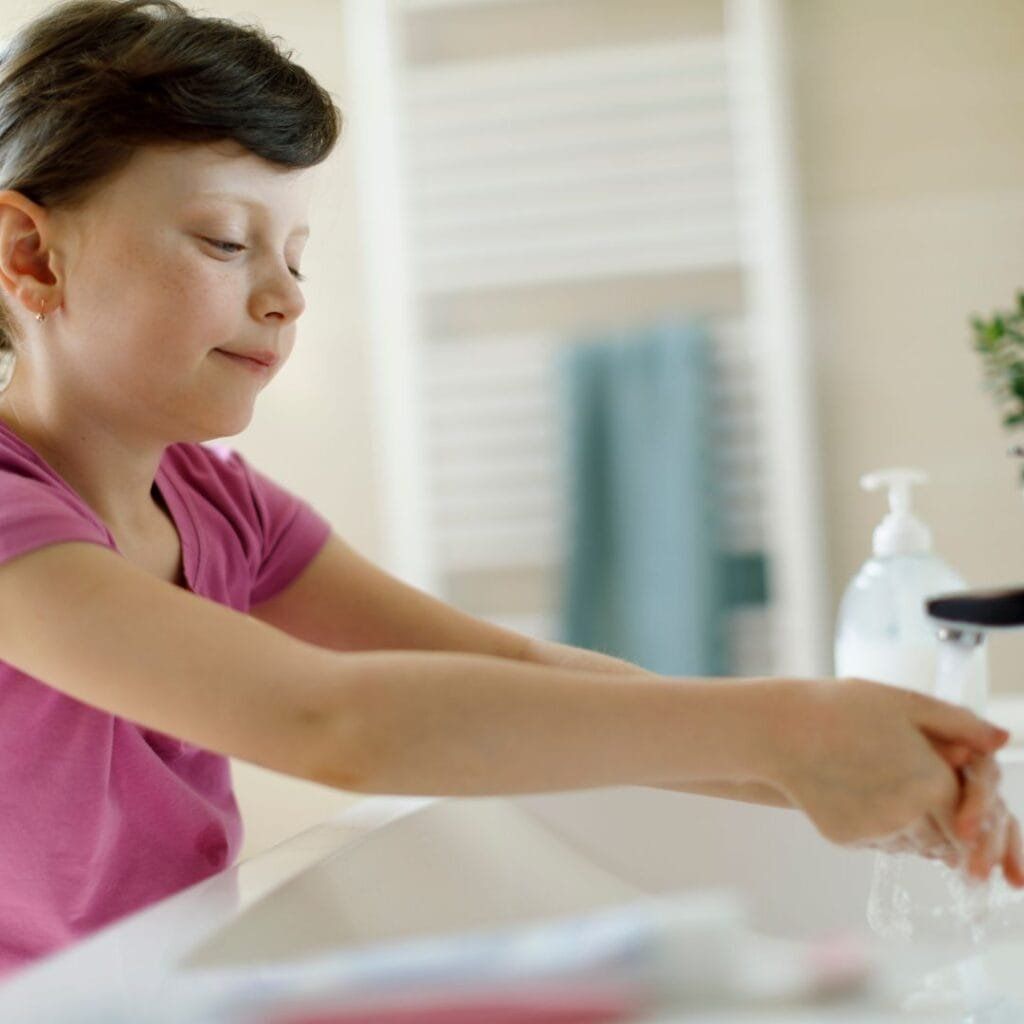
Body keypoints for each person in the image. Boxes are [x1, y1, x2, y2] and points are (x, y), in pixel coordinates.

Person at [0, 0, 1018, 982]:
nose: (287, 295)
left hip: (160, 991)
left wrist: (853, 774)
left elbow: (518, 664)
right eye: (226, 241)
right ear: (31, 255)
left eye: (297, 256)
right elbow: (328, 721)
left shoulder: (222, 507)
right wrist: (794, 730)